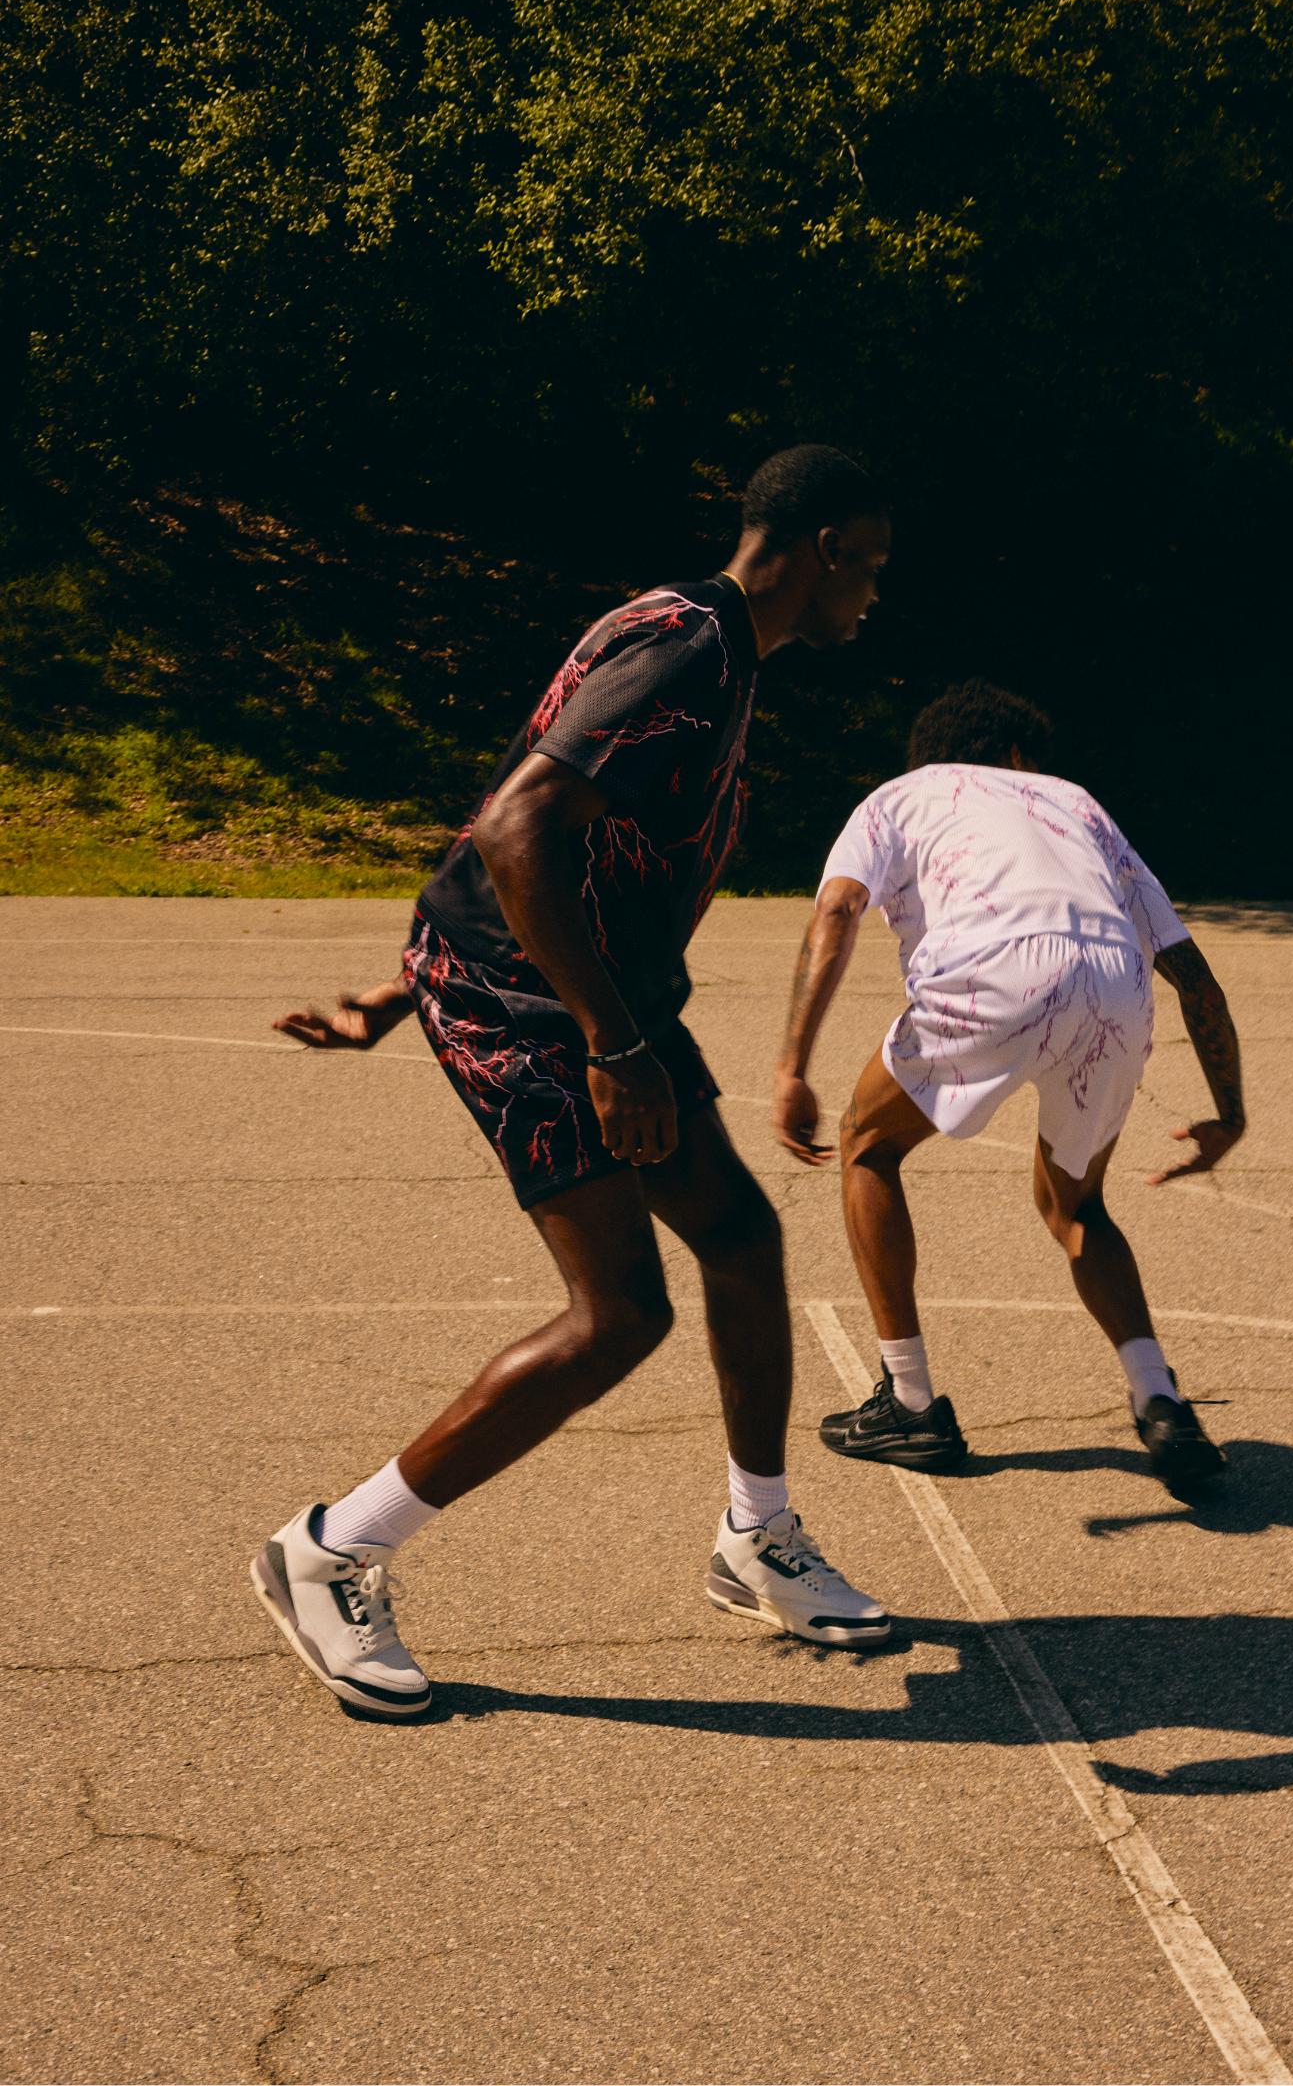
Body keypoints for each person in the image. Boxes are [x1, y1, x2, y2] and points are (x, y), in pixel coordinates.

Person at [252, 446, 895, 1718]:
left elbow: (522, 799)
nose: (876, 591)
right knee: (619, 1316)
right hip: (542, 1005)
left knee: (742, 1240)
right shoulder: (691, 654)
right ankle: (330, 1551)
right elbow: (513, 830)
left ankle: (752, 1536)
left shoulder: (678, 624)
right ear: (823, 546)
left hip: (573, 984)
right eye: (871, 563)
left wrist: (406, 980)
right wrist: (606, 1045)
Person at [772, 678, 1243, 1490]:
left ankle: (911, 1405)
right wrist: (1229, 1113)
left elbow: (839, 911)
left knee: (867, 1146)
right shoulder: (1074, 801)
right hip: (1114, 986)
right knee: (1077, 1206)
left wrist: (791, 1066)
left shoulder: (900, 796)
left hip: (993, 972)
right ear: (1018, 753)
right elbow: (1193, 976)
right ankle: (1159, 1400)